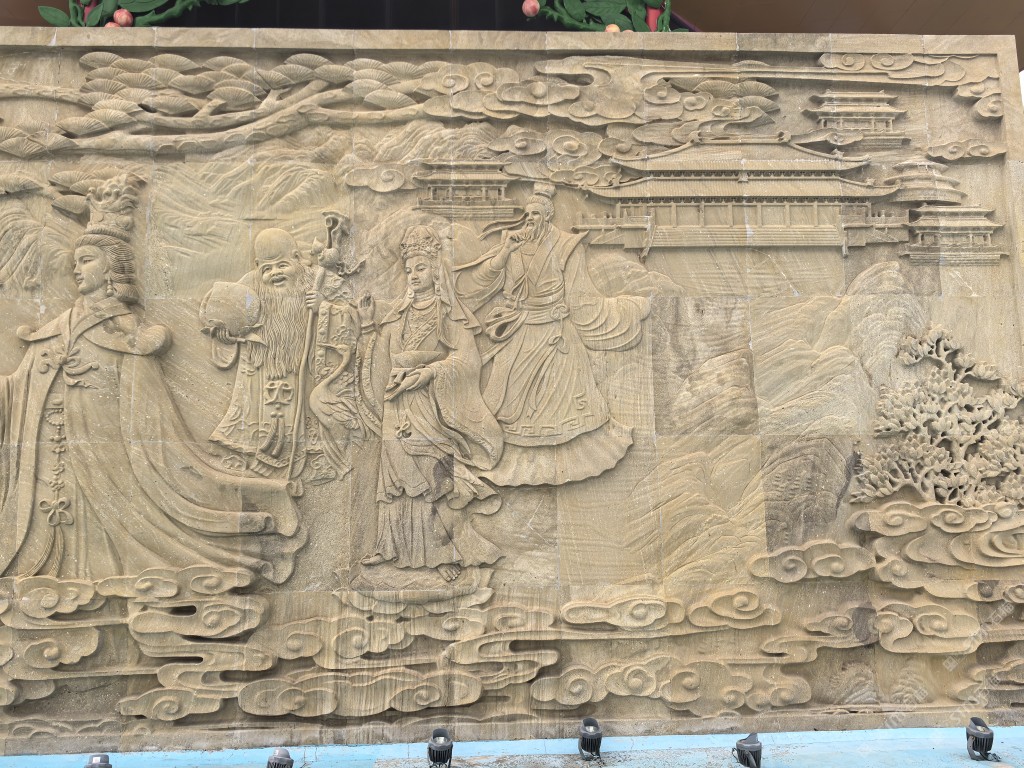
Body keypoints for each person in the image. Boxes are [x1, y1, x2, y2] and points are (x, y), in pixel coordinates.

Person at [0, 176, 301, 582]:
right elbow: (18, 389)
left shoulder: (129, 336)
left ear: (111, 268)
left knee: (122, 527)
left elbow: (152, 421)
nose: (76, 267)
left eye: (86, 260)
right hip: (56, 464)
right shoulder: (55, 331)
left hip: (112, 462)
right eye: (76, 261)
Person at [455, 183, 650, 486]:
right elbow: (480, 282)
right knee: (507, 403)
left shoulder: (566, 247)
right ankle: (511, 464)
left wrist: (624, 311)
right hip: (519, 332)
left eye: (536, 214)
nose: (530, 219)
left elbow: (580, 296)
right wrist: (504, 252)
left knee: (563, 405)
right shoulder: (513, 246)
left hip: (555, 333)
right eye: (527, 214)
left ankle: (573, 463)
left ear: (548, 216)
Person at [360, 225, 503, 582]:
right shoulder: (398, 314)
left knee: (432, 474)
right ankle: (389, 546)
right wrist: (365, 326)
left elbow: (467, 359)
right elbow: (381, 355)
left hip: (428, 402)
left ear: (436, 269)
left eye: (421, 267)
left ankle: (443, 552)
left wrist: (429, 373)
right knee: (394, 477)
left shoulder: (447, 314)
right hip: (397, 400)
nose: (414, 275)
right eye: (409, 269)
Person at [204, 228, 321, 481]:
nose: (275, 273)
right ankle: (250, 455)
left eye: (282, 265)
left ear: (296, 258)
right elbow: (220, 310)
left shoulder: (314, 280)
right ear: (258, 266)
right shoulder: (248, 284)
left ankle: (307, 456)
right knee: (259, 418)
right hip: (261, 366)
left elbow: (347, 314)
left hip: (300, 364)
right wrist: (225, 333)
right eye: (268, 269)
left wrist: (324, 307)